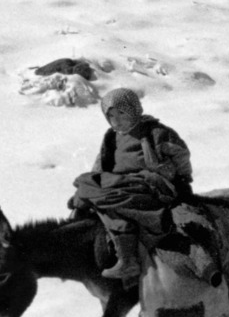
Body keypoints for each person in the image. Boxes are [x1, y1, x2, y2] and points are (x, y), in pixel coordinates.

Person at [71, 88, 193, 283]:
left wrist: (183, 179)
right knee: (85, 182)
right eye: (111, 115)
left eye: (121, 113)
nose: (116, 120)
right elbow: (100, 163)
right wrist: (92, 183)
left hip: (149, 181)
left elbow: (180, 153)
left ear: (134, 111)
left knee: (108, 197)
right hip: (118, 181)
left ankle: (128, 260)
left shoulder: (155, 132)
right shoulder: (112, 136)